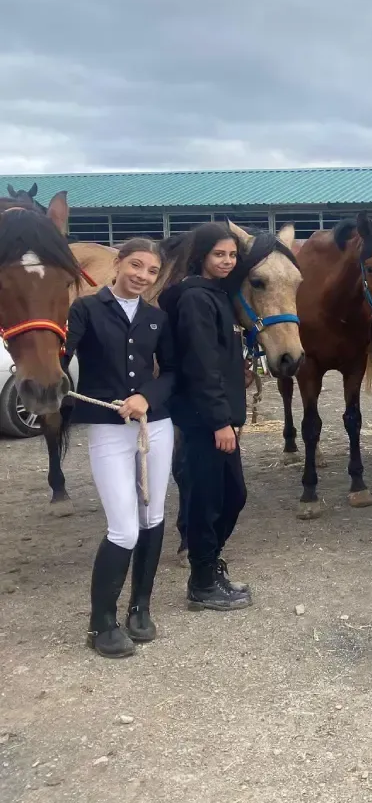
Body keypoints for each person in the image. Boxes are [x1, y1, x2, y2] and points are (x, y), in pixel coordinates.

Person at [65, 239, 176, 658]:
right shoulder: (86, 309)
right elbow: (63, 358)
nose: (142, 276)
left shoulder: (155, 317)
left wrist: (147, 396)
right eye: (135, 265)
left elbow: (173, 371)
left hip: (154, 425)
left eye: (151, 270)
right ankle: (101, 624)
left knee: (153, 515)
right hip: (109, 427)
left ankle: (140, 607)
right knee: (123, 527)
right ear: (117, 263)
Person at [158, 223, 252, 611]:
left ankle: (210, 566)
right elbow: (200, 364)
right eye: (220, 255)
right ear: (202, 256)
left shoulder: (217, 295)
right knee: (207, 499)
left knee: (233, 494)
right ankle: (201, 581)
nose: (227, 261)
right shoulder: (196, 299)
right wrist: (218, 421)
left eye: (232, 255)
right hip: (205, 420)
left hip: (219, 416)